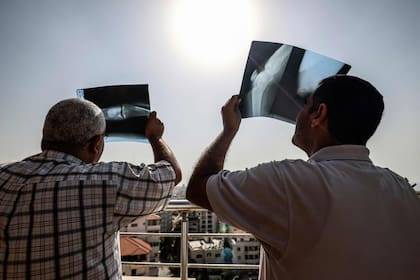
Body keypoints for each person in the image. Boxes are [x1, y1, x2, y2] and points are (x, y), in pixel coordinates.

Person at [186, 75, 420, 280]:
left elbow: (197, 187)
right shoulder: (402, 188)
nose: (297, 115)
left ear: (319, 114)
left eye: (305, 105)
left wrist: (228, 130)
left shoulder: (289, 182)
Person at [0, 98, 181, 279]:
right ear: (96, 144)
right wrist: (155, 137)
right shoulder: (105, 182)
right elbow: (171, 173)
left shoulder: (4, 175)